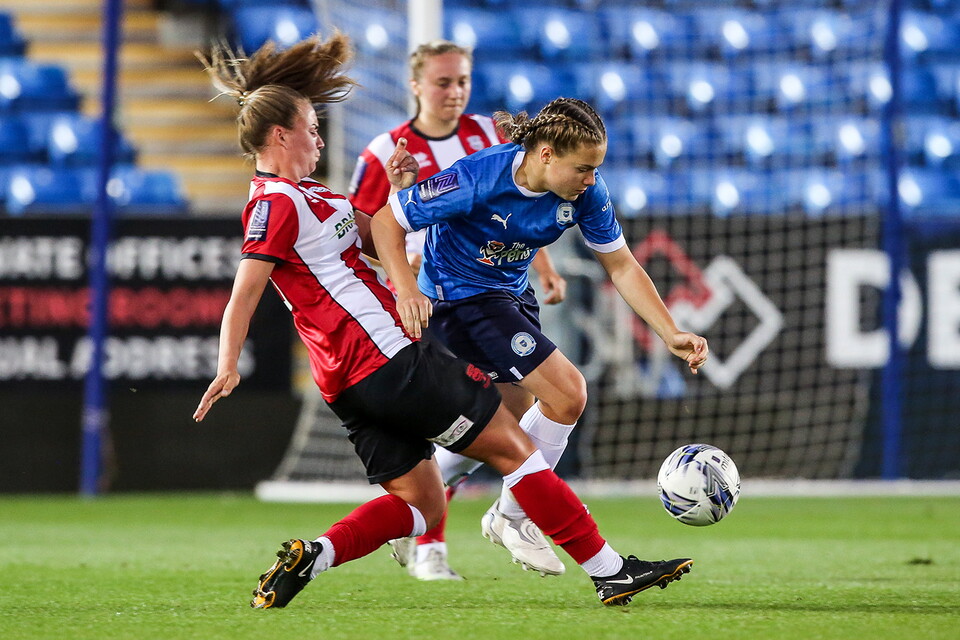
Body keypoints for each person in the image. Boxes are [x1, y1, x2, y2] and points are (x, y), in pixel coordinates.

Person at [193, 34, 693, 610]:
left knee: (424, 503)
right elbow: (245, 290)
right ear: (279, 136)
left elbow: (385, 233)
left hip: (349, 383)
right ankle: (608, 569)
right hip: (389, 356)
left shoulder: (313, 198)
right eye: (310, 127)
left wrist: (403, 200)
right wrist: (228, 361)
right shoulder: (274, 203)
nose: (318, 137)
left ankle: (315, 554)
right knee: (515, 448)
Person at [371, 97, 710, 580]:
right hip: (459, 302)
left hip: (510, 297)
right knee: (567, 394)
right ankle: (513, 518)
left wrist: (670, 330)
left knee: (505, 423)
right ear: (546, 154)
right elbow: (387, 220)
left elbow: (622, 265)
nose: (590, 180)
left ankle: (414, 505)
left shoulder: (585, 195)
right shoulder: (479, 176)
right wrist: (406, 290)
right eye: (583, 169)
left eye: (596, 169)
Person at [349, 39, 567, 581]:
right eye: (443, 82)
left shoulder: (486, 137)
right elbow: (362, 229)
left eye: (462, 81)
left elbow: (513, 210)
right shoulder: (383, 151)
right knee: (461, 415)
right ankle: (434, 547)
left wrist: (543, 269)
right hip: (428, 298)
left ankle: (418, 519)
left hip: (488, 290)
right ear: (416, 86)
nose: (454, 92)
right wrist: (400, 271)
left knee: (507, 410)